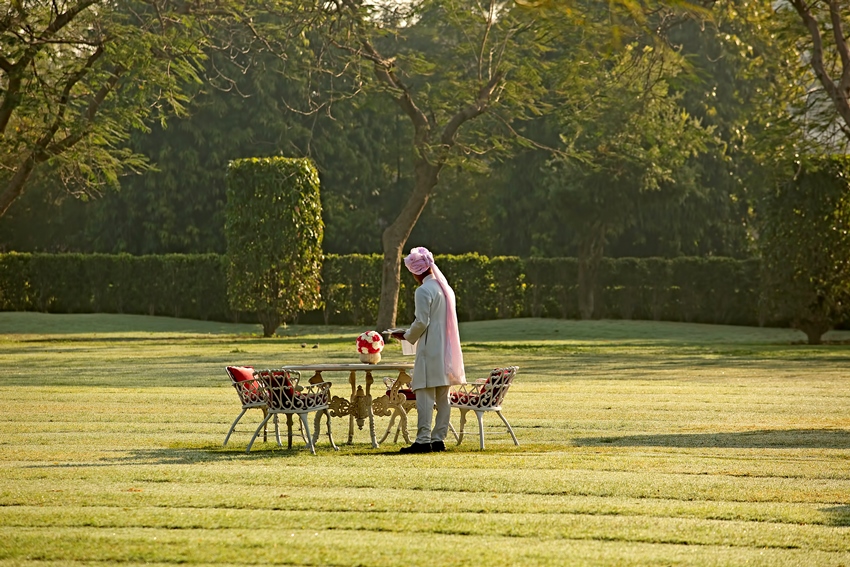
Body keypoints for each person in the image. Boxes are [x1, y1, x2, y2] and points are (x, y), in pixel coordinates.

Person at [392, 247, 466, 453]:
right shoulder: (446, 288)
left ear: (416, 271)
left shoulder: (423, 290)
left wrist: (406, 335)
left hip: (429, 349)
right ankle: (438, 438)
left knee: (424, 394)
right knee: (443, 395)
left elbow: (422, 321)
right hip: (446, 349)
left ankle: (423, 440)